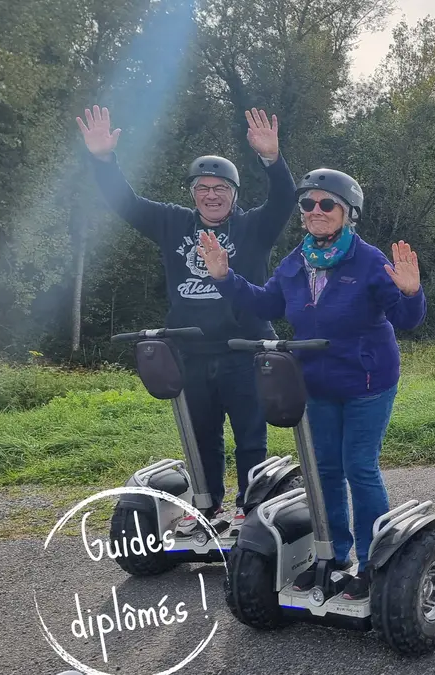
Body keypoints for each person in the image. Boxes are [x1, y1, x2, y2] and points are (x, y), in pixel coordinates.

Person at [197, 168, 425, 598]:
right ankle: (335, 554)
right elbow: (265, 302)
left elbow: (407, 320)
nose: (315, 211)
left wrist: (412, 293)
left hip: (367, 381)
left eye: (326, 204)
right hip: (315, 384)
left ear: (347, 212)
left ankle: (374, 560)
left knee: (359, 466)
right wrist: (225, 279)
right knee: (324, 471)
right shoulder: (295, 262)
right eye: (308, 204)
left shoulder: (369, 260)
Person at [76, 105, 297, 533]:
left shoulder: (254, 228)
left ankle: (250, 515)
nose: (211, 196)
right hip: (191, 353)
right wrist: (103, 159)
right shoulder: (171, 222)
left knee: (251, 438)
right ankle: (207, 508)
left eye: (220, 189)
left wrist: (272, 159)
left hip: (244, 351)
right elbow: (125, 202)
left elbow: (284, 199)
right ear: (192, 193)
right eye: (203, 188)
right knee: (201, 438)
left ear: (234, 193)